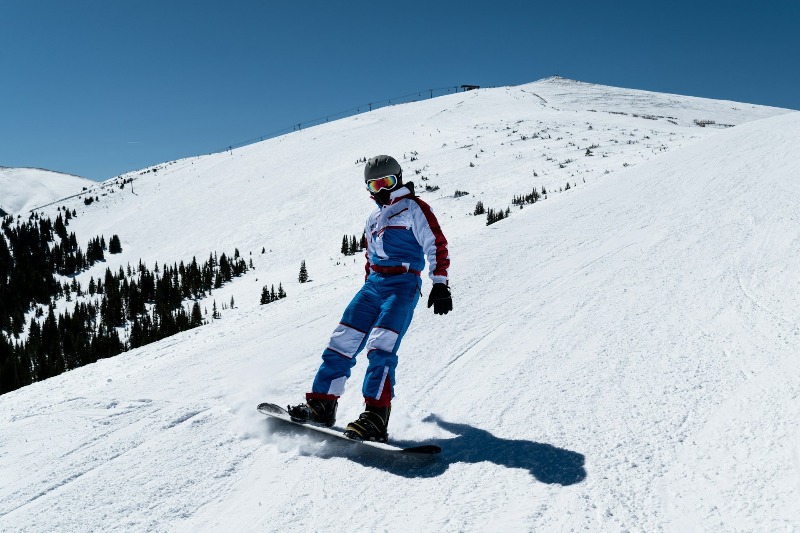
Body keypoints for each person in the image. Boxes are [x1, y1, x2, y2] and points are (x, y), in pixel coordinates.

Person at [288, 155, 452, 442]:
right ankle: (322, 404)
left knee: (381, 346)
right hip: (373, 285)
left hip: (402, 283)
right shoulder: (374, 217)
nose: (382, 190)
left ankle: (375, 416)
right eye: (375, 185)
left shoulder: (414, 208)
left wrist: (440, 283)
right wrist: (368, 286)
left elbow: (436, 244)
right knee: (342, 341)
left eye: (387, 182)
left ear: (398, 179)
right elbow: (370, 255)